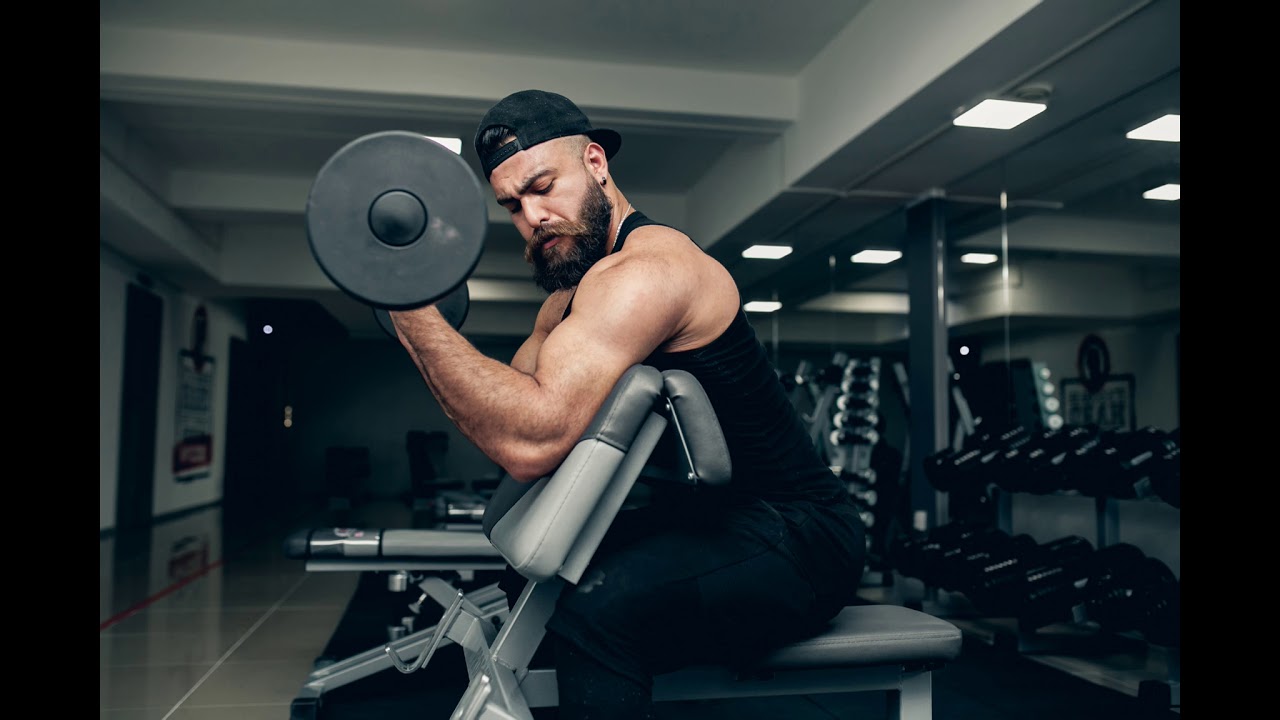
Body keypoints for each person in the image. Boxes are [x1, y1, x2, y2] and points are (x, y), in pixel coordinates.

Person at [388, 89, 868, 720]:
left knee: (599, 606)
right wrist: (417, 316)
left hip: (802, 533)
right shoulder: (565, 301)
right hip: (712, 518)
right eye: (512, 205)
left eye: (542, 187)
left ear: (595, 163)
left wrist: (414, 315)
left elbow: (530, 441)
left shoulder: (647, 273)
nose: (533, 216)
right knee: (533, 584)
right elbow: (503, 422)